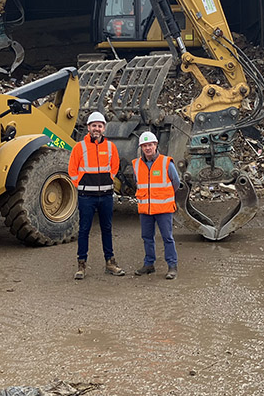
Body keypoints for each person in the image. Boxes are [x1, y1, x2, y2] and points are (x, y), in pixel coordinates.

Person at [68, 111, 124, 280]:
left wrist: (108, 179)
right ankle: (81, 264)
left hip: (106, 196)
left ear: (104, 129)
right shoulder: (80, 147)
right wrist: (82, 184)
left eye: (100, 126)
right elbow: (72, 170)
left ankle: (110, 262)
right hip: (86, 197)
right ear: (88, 128)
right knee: (84, 230)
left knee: (107, 229)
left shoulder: (110, 147)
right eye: (94, 126)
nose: (97, 129)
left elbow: (114, 166)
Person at [132, 130, 180, 280]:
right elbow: (137, 183)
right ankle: (149, 264)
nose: (148, 148)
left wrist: (163, 196)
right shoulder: (136, 164)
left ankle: (172, 266)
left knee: (167, 237)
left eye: (150, 145)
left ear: (156, 145)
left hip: (163, 209)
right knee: (147, 237)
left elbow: (176, 183)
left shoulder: (166, 162)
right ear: (141, 147)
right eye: (145, 145)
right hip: (145, 208)